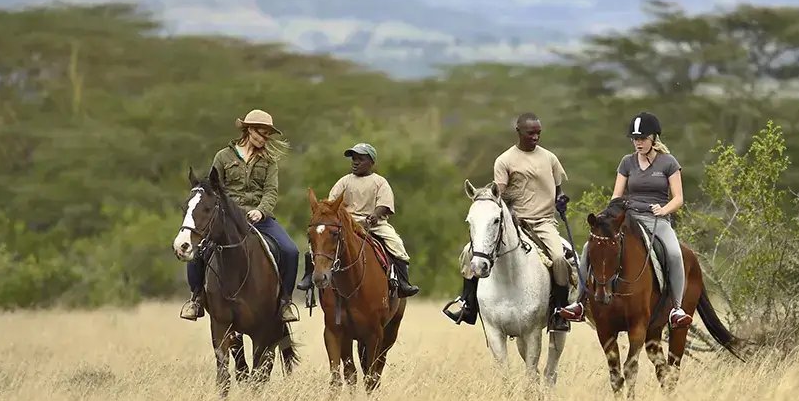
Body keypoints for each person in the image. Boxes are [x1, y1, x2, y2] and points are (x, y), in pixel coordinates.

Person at [558, 111, 694, 328]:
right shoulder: (627, 162)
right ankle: (580, 303)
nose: (638, 143)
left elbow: (678, 198)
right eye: (635, 139)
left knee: (674, 253)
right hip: (628, 217)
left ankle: (676, 309)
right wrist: (609, 216)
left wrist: (664, 210)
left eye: (642, 139)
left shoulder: (668, 162)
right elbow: (616, 196)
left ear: (653, 139)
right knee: (588, 247)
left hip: (656, 219)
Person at [444, 112, 575, 331]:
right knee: (470, 252)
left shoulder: (550, 158)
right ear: (518, 132)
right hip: (515, 221)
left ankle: (559, 311)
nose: (535, 137)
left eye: (538, 133)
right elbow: (498, 195)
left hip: (543, 221)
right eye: (530, 133)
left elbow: (559, 189)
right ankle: (468, 305)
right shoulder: (505, 160)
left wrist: (561, 200)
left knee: (560, 258)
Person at [181, 109, 302, 323]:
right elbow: (213, 188)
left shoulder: (270, 160)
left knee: (290, 250)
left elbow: (271, 191)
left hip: (259, 217)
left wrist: (261, 210)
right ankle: (196, 298)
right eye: (261, 133)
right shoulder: (223, 156)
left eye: (267, 135)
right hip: (228, 218)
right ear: (249, 130)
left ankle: (285, 302)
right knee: (198, 251)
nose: (263, 139)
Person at [302, 142, 421, 298]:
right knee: (318, 245)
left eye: (360, 159)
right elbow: (331, 205)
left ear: (371, 162)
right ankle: (309, 277)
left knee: (397, 245)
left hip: (373, 224)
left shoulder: (379, 182)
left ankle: (403, 283)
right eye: (353, 159)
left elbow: (384, 204)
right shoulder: (344, 181)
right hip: (347, 223)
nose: (355, 162)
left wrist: (376, 215)